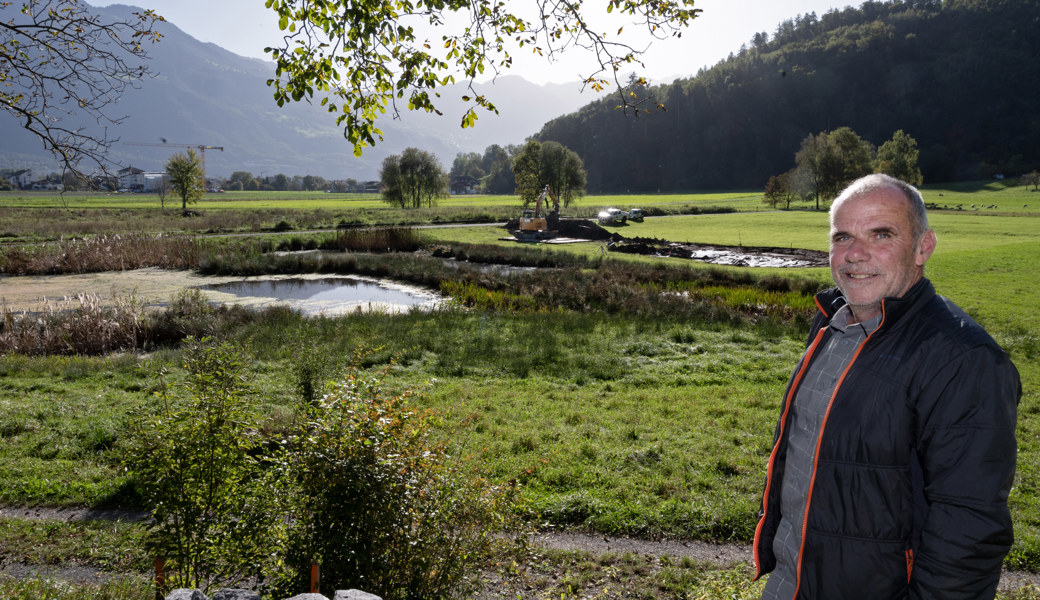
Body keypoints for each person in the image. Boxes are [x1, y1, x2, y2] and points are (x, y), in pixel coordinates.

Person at [753, 174, 1020, 599]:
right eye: (842, 237)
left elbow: (969, 531)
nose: (854, 254)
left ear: (923, 247)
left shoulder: (962, 359)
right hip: (792, 584)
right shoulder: (831, 321)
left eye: (880, 234)